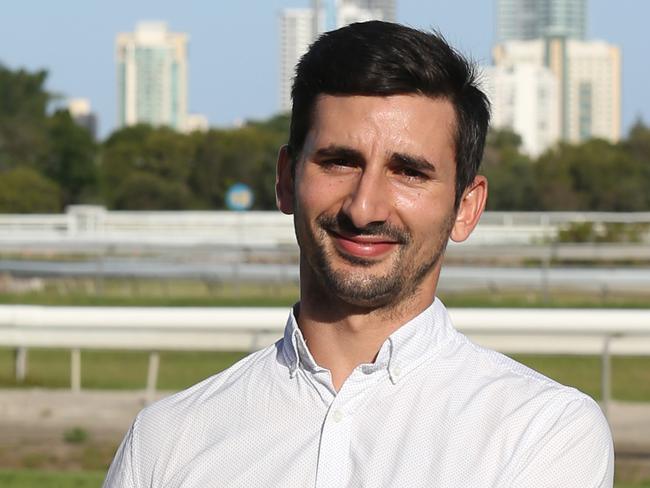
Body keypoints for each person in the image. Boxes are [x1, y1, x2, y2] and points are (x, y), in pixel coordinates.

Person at [104, 21, 613, 487]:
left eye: (409, 172)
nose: (365, 207)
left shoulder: (541, 431)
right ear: (286, 179)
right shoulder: (166, 441)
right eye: (339, 162)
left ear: (466, 206)